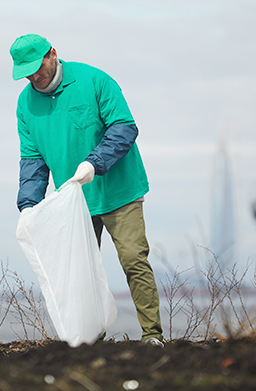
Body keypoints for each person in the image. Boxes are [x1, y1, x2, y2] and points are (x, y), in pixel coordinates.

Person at [9, 34, 164, 346]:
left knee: (133, 259)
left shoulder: (95, 80)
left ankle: (152, 335)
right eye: (26, 72)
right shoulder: (25, 104)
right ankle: (91, 339)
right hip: (75, 199)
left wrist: (95, 162)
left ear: (52, 54)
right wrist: (29, 204)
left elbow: (124, 127)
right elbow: (33, 158)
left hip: (120, 191)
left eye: (37, 67)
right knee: (79, 272)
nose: (34, 76)